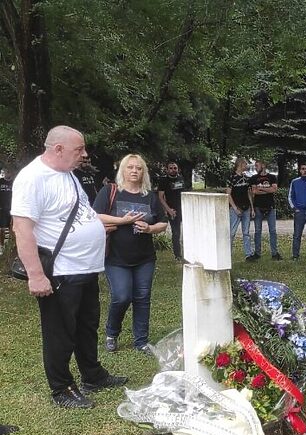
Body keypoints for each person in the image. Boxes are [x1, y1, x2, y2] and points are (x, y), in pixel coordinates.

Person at [11, 125, 127, 408]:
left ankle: (92, 374)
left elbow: (81, 214)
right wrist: (36, 275)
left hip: (85, 267)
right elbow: (22, 229)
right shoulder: (32, 178)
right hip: (61, 271)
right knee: (60, 332)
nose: (84, 155)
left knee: (87, 325)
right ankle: (61, 388)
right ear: (58, 149)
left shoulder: (68, 175)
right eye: (79, 149)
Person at [94, 153, 168, 354]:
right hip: (115, 258)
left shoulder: (149, 196)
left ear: (143, 172)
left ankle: (141, 341)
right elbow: (96, 216)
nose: (134, 171)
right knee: (121, 296)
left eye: (139, 168)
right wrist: (122, 221)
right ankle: (111, 333)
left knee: (142, 297)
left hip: (144, 258)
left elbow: (162, 222)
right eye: (130, 167)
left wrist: (150, 229)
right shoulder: (110, 191)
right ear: (123, 170)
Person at [250, 160, 282, 260]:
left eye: (257, 165)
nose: (255, 167)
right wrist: (267, 190)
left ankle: (274, 253)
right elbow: (254, 191)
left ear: (263, 165)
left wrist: (262, 189)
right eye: (255, 166)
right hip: (258, 207)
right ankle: (257, 253)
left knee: (272, 231)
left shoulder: (272, 177)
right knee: (257, 231)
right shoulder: (254, 178)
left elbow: (274, 189)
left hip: (270, 207)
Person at [227, 157, 255, 260]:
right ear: (240, 164)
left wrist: (252, 208)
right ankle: (227, 254)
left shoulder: (246, 178)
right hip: (236, 209)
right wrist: (234, 208)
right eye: (245, 164)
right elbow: (228, 194)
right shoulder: (232, 177)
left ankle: (248, 254)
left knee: (246, 232)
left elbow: (249, 193)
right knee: (231, 233)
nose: (246, 166)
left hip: (246, 208)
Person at [157, 161, 185, 261]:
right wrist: (168, 210)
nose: (173, 170)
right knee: (176, 233)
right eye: (171, 168)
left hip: (183, 209)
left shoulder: (181, 178)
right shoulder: (163, 180)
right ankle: (178, 255)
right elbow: (160, 197)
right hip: (172, 210)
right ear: (167, 169)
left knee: (186, 232)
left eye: (175, 168)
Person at [0, 168, 12, 248]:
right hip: (2, 208)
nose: (7, 173)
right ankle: (2, 245)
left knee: (13, 228)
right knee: (2, 229)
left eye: (9, 171)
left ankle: (10, 247)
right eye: (6, 171)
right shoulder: (0, 181)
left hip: (13, 208)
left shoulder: (15, 181)